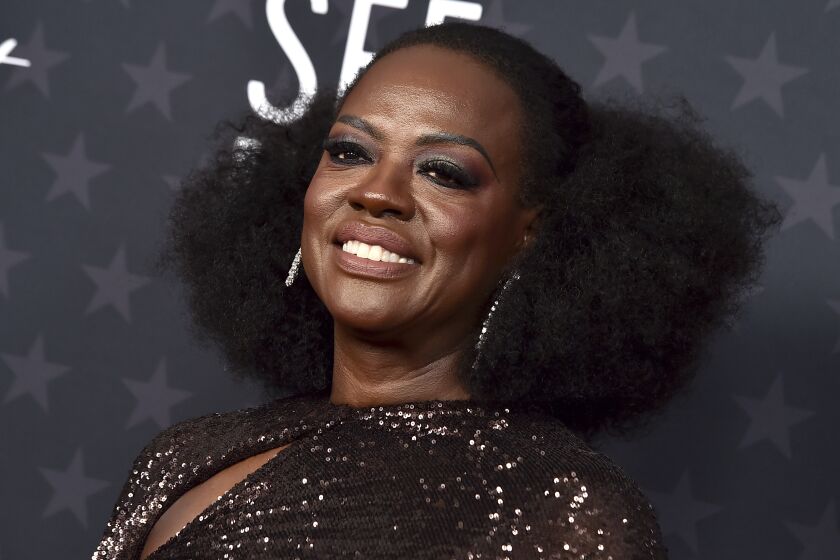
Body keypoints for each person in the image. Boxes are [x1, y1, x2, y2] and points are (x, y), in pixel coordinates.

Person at [92, 22, 781, 559]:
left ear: (534, 235)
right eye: (350, 152)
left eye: (443, 172)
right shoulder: (182, 455)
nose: (377, 193)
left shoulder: (562, 513)